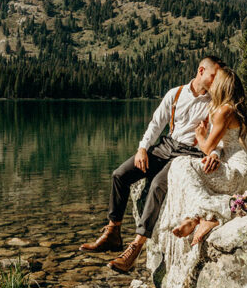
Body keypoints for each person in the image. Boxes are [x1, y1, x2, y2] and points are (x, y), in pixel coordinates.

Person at [79, 56, 224, 273]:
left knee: (157, 185)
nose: (217, 82)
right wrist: (142, 148)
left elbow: (219, 136)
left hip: (188, 155)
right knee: (120, 174)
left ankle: (136, 247)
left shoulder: (215, 103)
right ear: (201, 71)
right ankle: (113, 232)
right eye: (214, 76)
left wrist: (215, 153)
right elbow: (157, 124)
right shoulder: (175, 94)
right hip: (165, 146)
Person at [168, 65, 247, 245]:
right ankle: (195, 217)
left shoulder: (223, 110)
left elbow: (207, 147)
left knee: (180, 164)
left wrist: (200, 136)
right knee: (195, 172)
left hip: (237, 174)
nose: (211, 84)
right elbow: (220, 147)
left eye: (215, 81)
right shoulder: (237, 109)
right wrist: (215, 155)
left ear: (222, 86)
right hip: (246, 175)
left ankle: (214, 212)